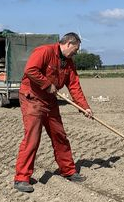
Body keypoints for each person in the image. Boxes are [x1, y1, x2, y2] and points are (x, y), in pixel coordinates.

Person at [13, 32, 93, 193]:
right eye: (75, 49)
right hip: (32, 98)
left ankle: (68, 171)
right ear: (69, 43)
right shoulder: (45, 51)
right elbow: (31, 70)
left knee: (60, 135)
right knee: (33, 138)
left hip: (50, 100)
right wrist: (47, 84)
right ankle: (21, 178)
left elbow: (74, 86)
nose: (76, 53)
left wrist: (84, 106)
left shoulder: (69, 63)